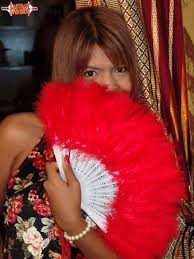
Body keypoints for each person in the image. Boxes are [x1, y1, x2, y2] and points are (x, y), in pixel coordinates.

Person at [0, 7, 186, 259]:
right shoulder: (17, 134)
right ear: (68, 75)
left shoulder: (142, 157)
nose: (108, 84)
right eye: (91, 72)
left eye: (120, 69)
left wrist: (74, 225)